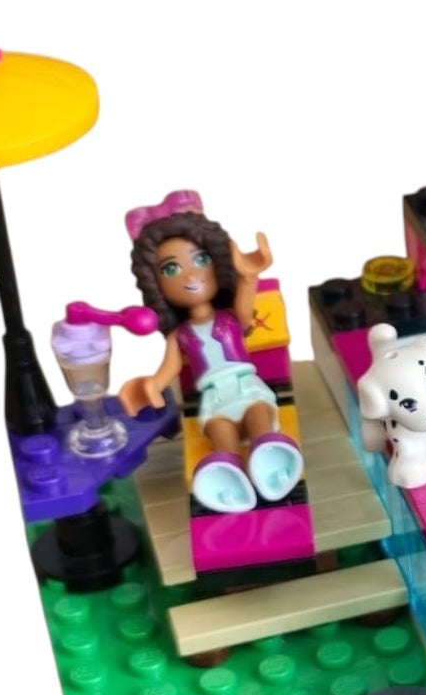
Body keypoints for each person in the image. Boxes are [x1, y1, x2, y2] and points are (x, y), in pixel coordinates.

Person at [118, 189, 304, 512]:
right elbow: (169, 368)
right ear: (156, 286)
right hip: (215, 399)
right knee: (220, 432)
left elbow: (246, 303)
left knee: (259, 416)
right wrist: (152, 386)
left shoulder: (230, 318)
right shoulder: (180, 335)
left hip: (247, 388)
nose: (190, 275)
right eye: (171, 269)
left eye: (201, 260)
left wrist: (249, 275)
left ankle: (270, 460)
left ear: (217, 263)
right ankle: (228, 476)